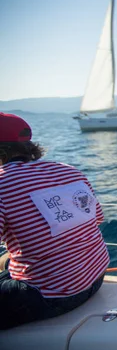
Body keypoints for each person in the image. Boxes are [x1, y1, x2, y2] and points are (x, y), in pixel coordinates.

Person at [0, 112, 109, 330]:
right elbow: (97, 218)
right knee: (6, 262)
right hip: (96, 278)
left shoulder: (3, 182)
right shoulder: (70, 171)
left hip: (51, 296)